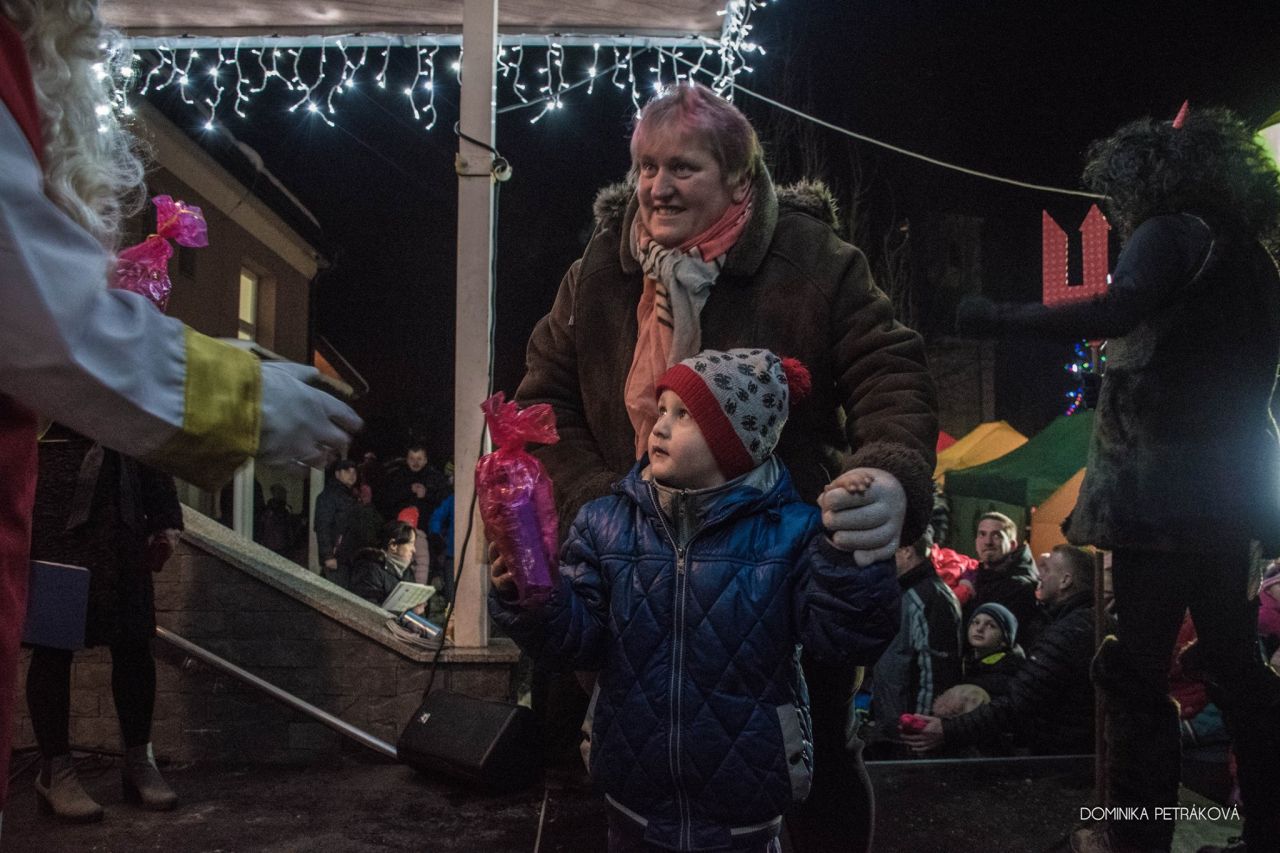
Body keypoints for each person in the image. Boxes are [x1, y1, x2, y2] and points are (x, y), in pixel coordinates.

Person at [516, 81, 937, 852]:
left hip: (773, 566)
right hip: (631, 566)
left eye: (683, 167)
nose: (656, 187)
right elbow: (543, 402)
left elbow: (890, 372)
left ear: (740, 178)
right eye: (646, 166)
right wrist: (593, 507)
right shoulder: (599, 271)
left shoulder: (814, 260)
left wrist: (888, 471)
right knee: (628, 761)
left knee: (807, 760)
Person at [0, 2, 363, 827]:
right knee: (58, 640)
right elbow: (43, 317)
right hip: (63, 503)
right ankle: (58, 765)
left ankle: (136, 755)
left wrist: (163, 503)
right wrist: (239, 395)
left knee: (131, 637)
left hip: (117, 503)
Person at [958, 106, 1280, 853]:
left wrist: (996, 316)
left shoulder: (1171, 232)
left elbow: (1116, 306)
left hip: (1159, 499)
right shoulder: (1252, 257)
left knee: (1136, 676)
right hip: (1230, 500)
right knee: (1238, 671)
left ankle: (1138, 838)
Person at [492, 349, 901, 853]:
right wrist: (532, 594)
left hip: (745, 811)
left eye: (684, 414)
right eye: (662, 409)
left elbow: (845, 638)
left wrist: (849, 552)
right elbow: (575, 641)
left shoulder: (792, 534)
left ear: (734, 442)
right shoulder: (605, 523)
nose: (659, 426)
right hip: (631, 800)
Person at [25, 431, 184, 822]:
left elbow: (141, 424)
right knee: (53, 647)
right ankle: (55, 771)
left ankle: (139, 760)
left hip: (122, 520)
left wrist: (164, 518)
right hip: (53, 515)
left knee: (135, 644)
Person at [902, 544, 1101, 758]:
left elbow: (1019, 703)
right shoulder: (1087, 623)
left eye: (1047, 569)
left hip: (1062, 756)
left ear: (1065, 581)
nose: (1039, 575)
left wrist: (948, 730)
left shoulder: (1067, 632)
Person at [867, 533, 962, 757]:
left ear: (907, 551)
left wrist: (920, 730)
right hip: (894, 731)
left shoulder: (931, 598)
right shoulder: (904, 592)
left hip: (913, 739)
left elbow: (936, 672)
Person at [959, 512, 1044, 649]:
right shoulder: (978, 575)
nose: (988, 542)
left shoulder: (1020, 587)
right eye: (982, 534)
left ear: (1012, 545)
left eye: (996, 536)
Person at [349, 520, 417, 607]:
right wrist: (405, 611)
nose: (414, 550)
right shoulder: (370, 569)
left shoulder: (407, 573)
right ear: (393, 545)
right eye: (410, 544)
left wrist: (414, 610)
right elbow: (366, 607)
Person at [378, 445, 449, 522]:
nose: (415, 462)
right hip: (402, 524)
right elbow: (386, 500)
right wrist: (408, 489)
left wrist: (426, 494)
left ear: (425, 461)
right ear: (407, 460)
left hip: (428, 523)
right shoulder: (397, 476)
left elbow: (446, 501)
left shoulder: (436, 477)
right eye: (412, 458)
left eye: (419, 459)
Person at [314, 459, 359, 580]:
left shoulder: (351, 496)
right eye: (347, 471)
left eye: (354, 472)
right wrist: (328, 556)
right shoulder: (329, 495)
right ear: (337, 474)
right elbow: (322, 525)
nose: (352, 475)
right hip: (337, 556)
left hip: (349, 556)